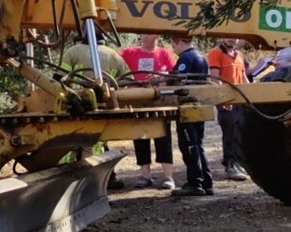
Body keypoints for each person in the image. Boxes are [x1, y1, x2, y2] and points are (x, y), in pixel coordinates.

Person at [61, 35, 130, 190]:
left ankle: (77, 181)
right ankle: (106, 177)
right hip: (105, 108)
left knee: (77, 143)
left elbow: (58, 78)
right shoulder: (114, 55)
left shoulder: (73, 51)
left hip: (77, 106)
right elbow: (128, 80)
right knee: (99, 141)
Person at [120, 34, 177, 190]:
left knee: (163, 138)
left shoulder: (164, 54)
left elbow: (175, 75)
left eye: (148, 33)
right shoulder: (128, 52)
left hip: (159, 103)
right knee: (140, 138)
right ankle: (145, 175)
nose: (144, 37)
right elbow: (113, 62)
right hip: (137, 102)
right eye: (142, 33)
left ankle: (168, 176)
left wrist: (162, 77)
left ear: (156, 35)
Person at [169, 35, 214, 197]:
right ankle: (206, 182)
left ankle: (195, 182)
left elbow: (179, 81)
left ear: (180, 42)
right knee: (198, 144)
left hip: (188, 107)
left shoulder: (186, 58)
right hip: (199, 106)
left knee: (188, 145)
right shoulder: (201, 56)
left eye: (174, 46)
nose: (174, 50)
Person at [208, 38, 250, 181]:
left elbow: (243, 77)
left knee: (240, 132)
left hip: (239, 100)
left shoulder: (239, 55)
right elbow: (215, 78)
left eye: (234, 37)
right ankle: (230, 165)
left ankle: (238, 162)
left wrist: (251, 96)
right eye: (228, 36)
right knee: (229, 133)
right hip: (227, 101)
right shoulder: (216, 53)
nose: (231, 39)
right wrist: (223, 99)